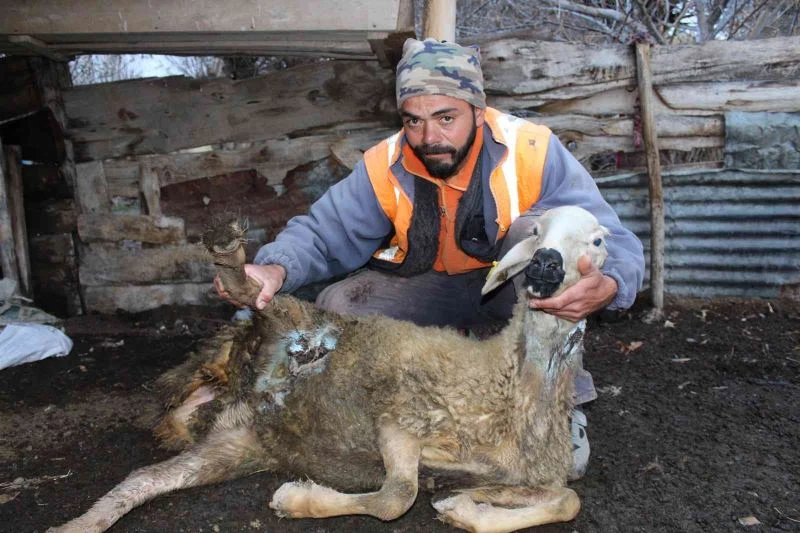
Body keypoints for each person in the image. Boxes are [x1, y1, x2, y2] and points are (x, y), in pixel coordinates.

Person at [216, 38, 645, 479]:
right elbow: (325, 232)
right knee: (342, 305)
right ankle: (391, 413)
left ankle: (557, 408)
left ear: (478, 111)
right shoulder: (385, 162)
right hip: (432, 288)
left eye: (446, 118)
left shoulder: (532, 150)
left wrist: (609, 282)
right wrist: (274, 267)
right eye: (414, 121)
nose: (429, 138)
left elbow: (609, 236)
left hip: (514, 293)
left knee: (546, 240)